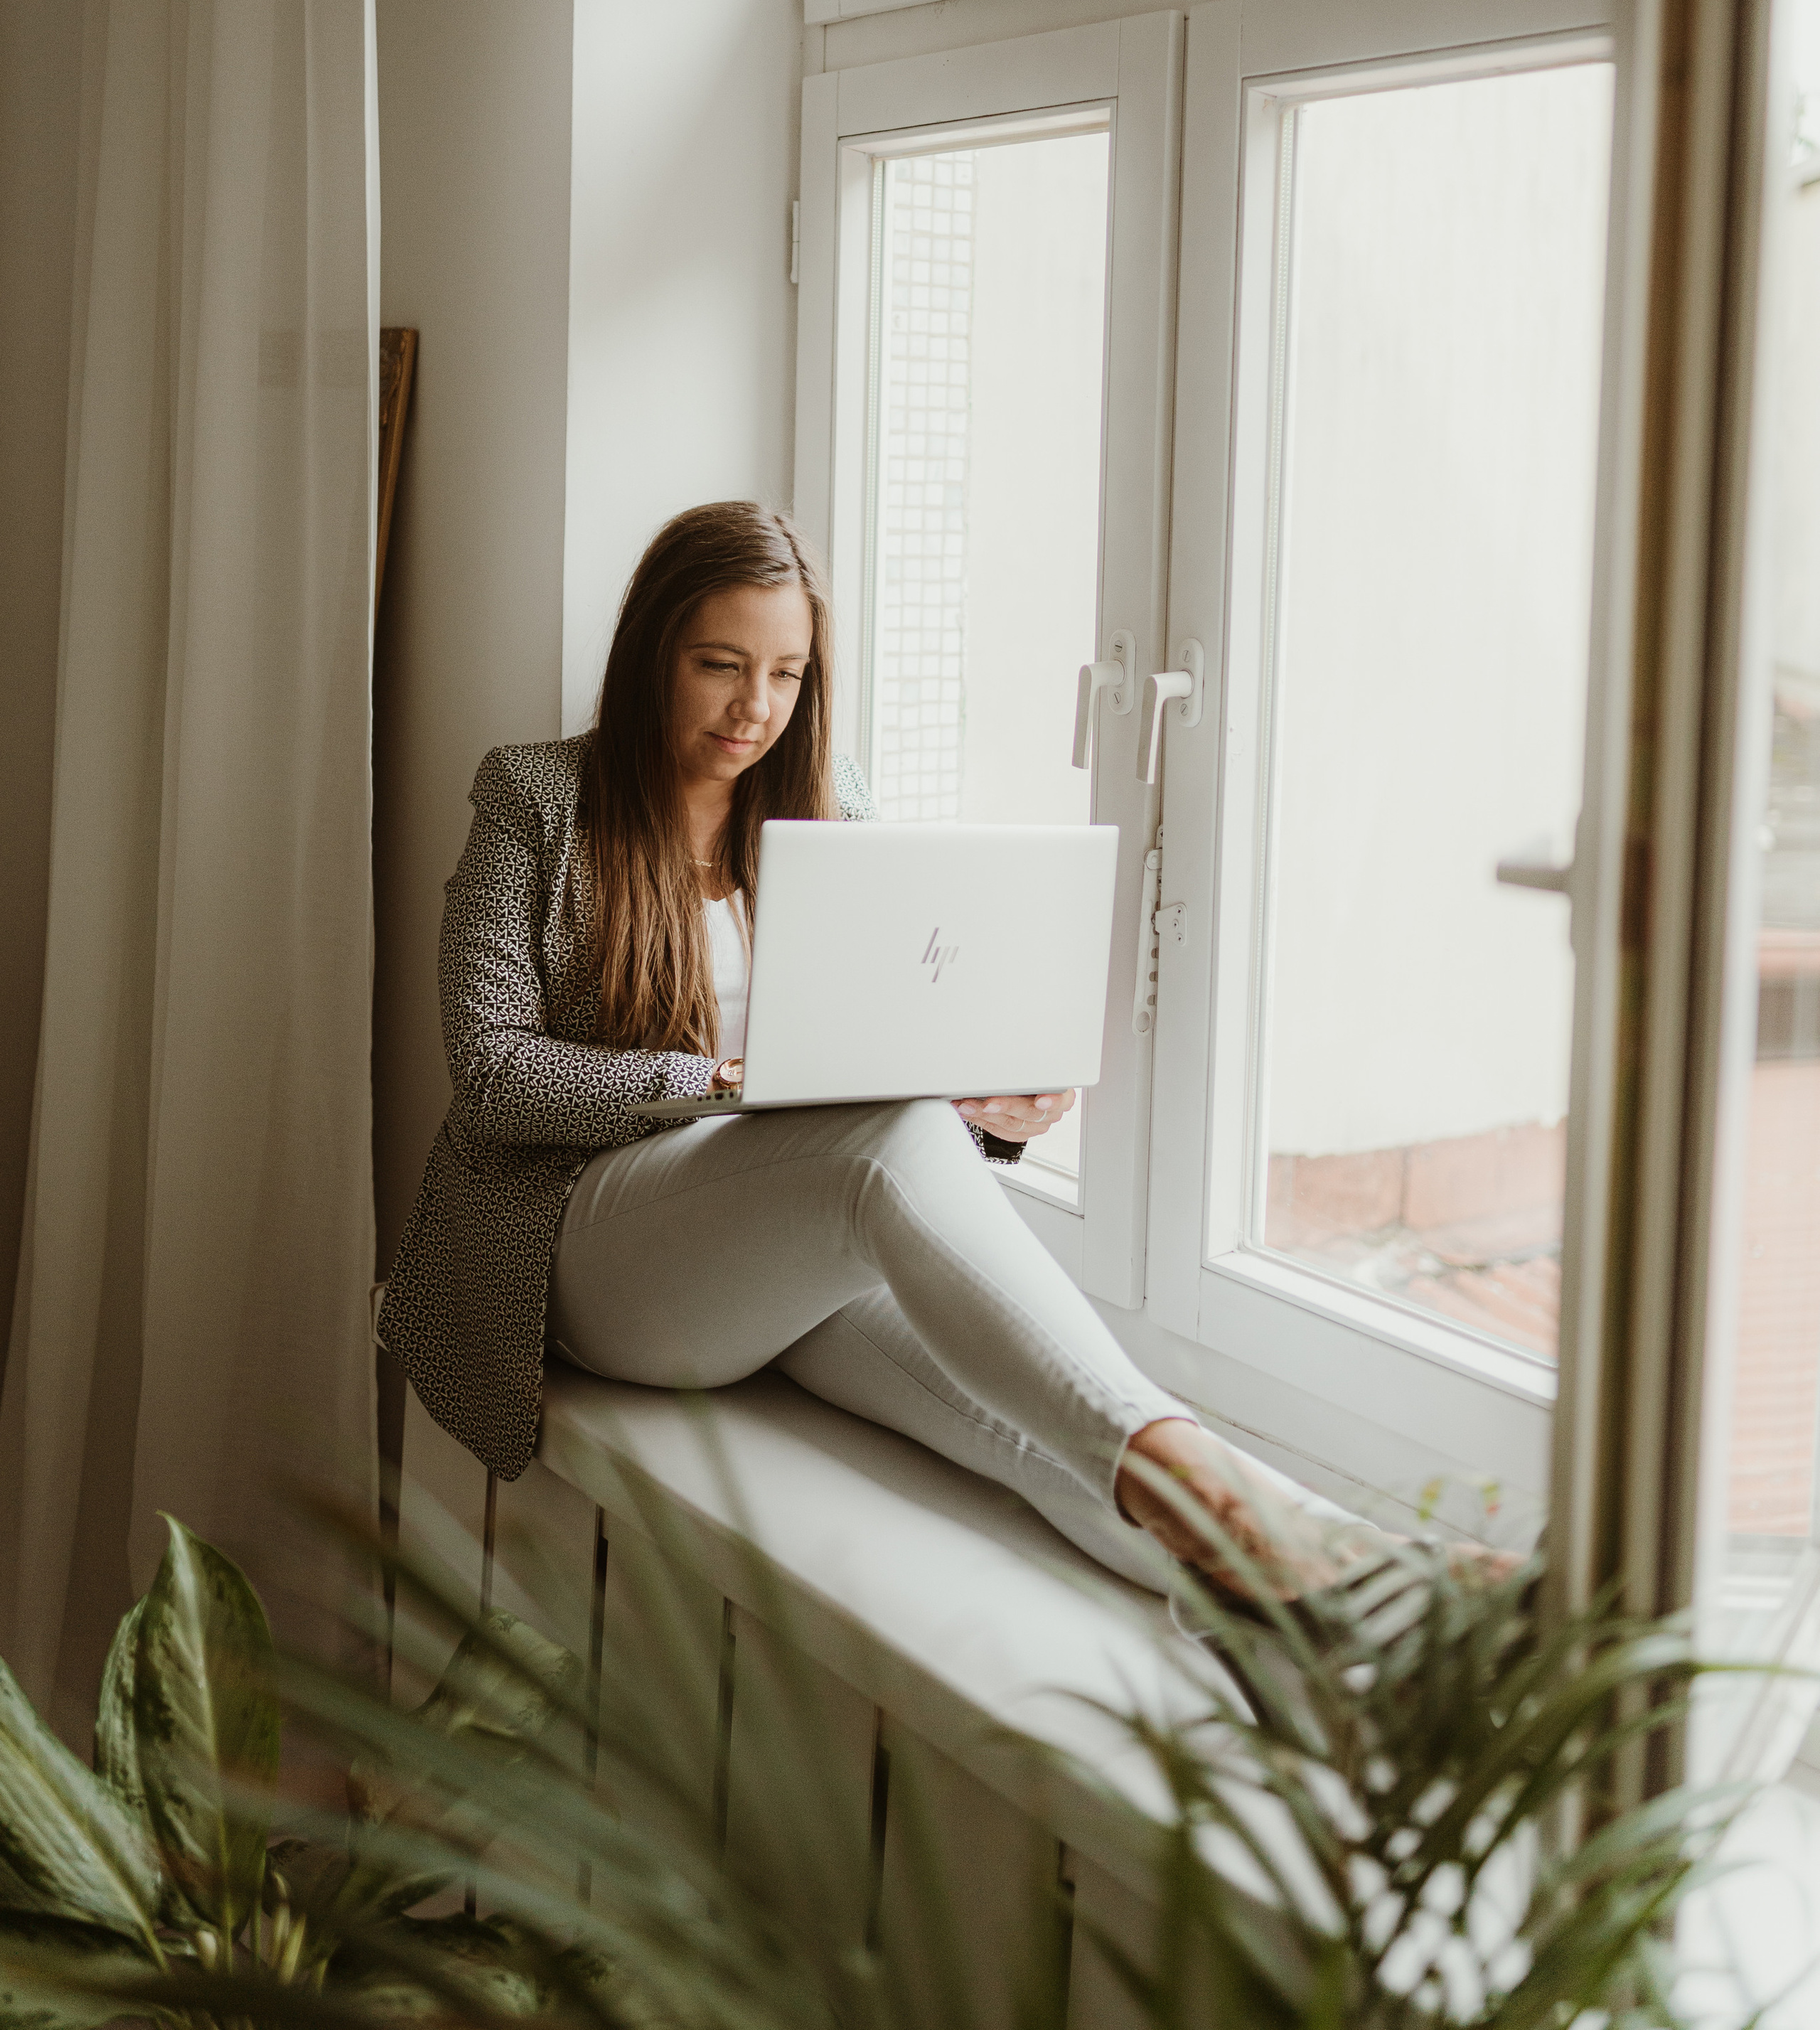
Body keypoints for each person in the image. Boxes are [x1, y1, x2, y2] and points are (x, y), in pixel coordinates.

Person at [380, 501, 1456, 1604]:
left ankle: (1388, 1602)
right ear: (652, 650)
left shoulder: (828, 805)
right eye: (720, 665)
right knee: (886, 1149)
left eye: (788, 675)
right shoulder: (535, 796)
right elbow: (494, 1073)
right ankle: (1251, 1508)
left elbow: (878, 1053)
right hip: (588, 1245)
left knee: (1036, 1430)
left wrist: (980, 1107)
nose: (757, 707)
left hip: (769, 1244)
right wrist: (733, 1083)